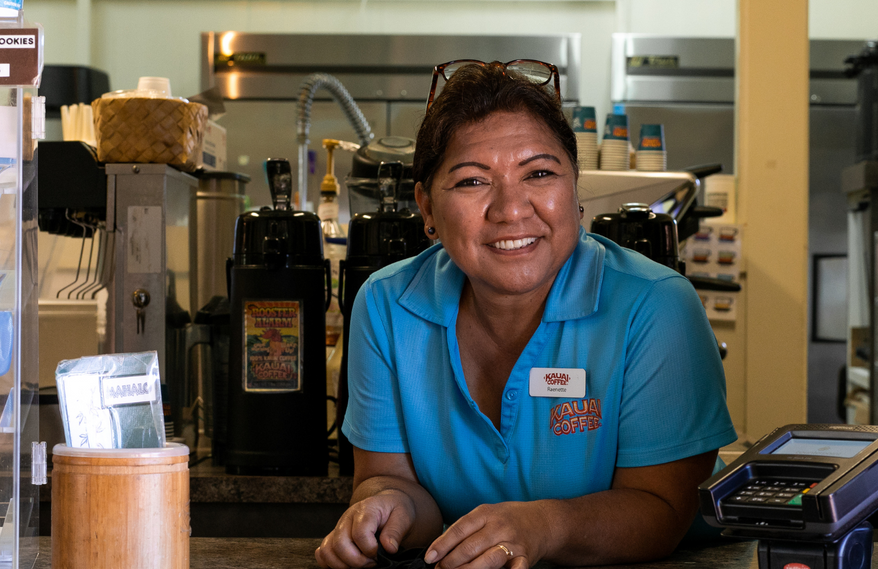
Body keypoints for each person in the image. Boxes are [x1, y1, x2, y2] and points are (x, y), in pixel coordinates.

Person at [315, 60, 736, 569]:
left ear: (575, 188)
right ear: (426, 207)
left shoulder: (655, 305)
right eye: (473, 181)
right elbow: (393, 482)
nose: (511, 209)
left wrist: (542, 526)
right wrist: (385, 507)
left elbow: (663, 511)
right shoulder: (386, 305)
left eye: (539, 173)